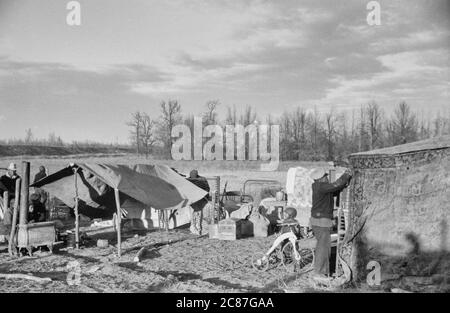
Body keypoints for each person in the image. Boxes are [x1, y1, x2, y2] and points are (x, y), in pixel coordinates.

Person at [309, 167, 352, 279]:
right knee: (323, 248)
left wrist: (343, 185)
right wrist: (346, 174)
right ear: (321, 178)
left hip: (319, 221)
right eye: (326, 176)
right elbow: (336, 185)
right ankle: (319, 273)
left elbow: (334, 189)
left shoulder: (319, 187)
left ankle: (321, 272)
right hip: (321, 222)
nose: (327, 178)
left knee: (323, 247)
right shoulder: (321, 187)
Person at [186, 170, 210, 235]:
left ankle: (198, 229)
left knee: (198, 214)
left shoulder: (202, 180)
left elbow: (207, 189)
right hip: (194, 200)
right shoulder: (201, 179)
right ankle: (195, 229)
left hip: (200, 200)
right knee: (194, 215)